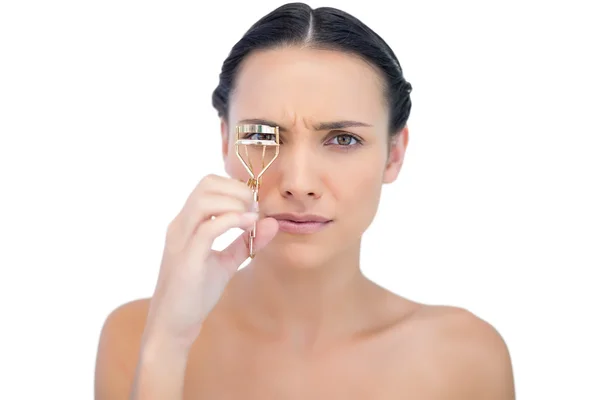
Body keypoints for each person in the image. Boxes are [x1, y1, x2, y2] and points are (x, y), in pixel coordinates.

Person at [94, 3, 515, 399]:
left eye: (343, 139)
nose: (298, 183)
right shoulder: (137, 336)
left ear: (395, 154)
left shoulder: (466, 357)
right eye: (261, 135)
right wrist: (167, 346)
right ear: (225, 140)